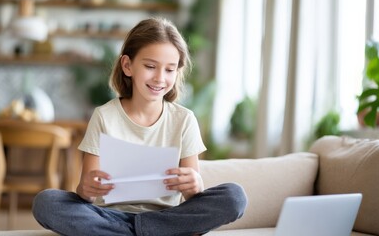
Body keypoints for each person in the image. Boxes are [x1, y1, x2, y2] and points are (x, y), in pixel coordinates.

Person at [32, 17, 247, 236]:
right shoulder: (104, 116)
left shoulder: (184, 120)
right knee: (46, 202)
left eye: (170, 70)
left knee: (234, 197)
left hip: (166, 216)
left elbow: (191, 198)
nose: (160, 78)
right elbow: (88, 194)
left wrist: (195, 186)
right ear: (127, 66)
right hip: (110, 216)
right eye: (150, 66)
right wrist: (84, 189)